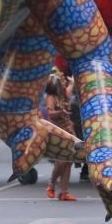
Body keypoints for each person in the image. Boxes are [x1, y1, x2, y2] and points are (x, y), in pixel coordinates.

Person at [44, 73, 77, 202]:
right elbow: (50, 113)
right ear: (56, 84)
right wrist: (60, 112)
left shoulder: (63, 95)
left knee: (68, 162)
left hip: (69, 130)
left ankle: (64, 193)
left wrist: (72, 82)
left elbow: (70, 89)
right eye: (62, 81)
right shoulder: (51, 97)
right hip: (58, 131)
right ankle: (51, 184)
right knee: (62, 160)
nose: (64, 82)